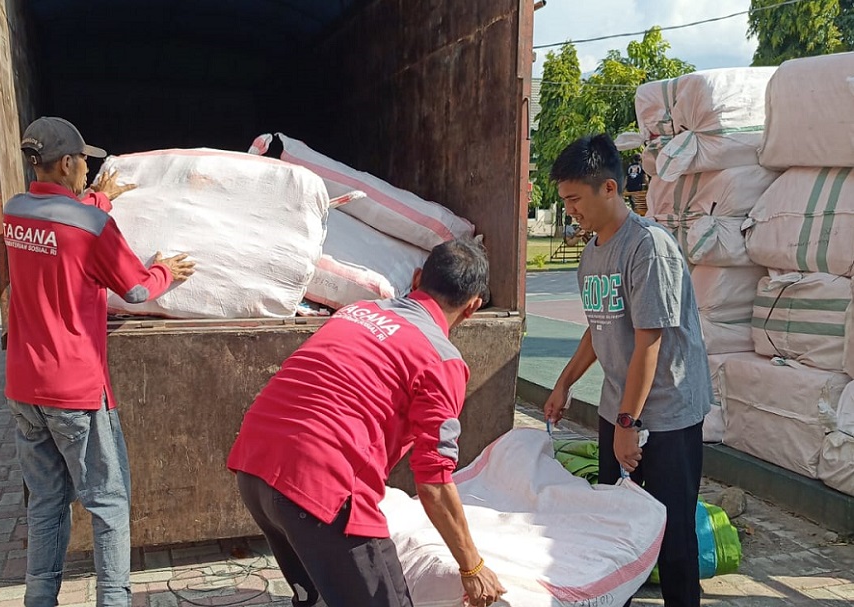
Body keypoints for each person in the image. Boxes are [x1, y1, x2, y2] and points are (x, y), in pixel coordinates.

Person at [227, 239, 506, 607]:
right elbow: (434, 481)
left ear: (418, 277)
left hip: (255, 468)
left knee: (313, 598)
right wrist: (472, 566)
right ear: (472, 307)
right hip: (319, 488)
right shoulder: (441, 360)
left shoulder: (358, 311)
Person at [4, 116, 196, 607]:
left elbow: (63, 226)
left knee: (47, 504)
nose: (88, 168)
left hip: (25, 388)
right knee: (108, 502)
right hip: (77, 391)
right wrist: (163, 271)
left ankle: (39, 600)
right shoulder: (92, 226)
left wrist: (99, 199)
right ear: (67, 162)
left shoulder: (16, 212)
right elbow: (132, 288)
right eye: (84, 161)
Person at [544, 134, 711, 607]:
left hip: (664, 415)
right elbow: (599, 327)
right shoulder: (592, 253)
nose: (570, 210)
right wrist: (564, 383)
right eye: (565, 201)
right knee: (618, 524)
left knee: (671, 530)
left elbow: (649, 342)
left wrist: (627, 425)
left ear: (610, 189)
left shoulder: (648, 248)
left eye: (575, 199)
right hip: (620, 408)